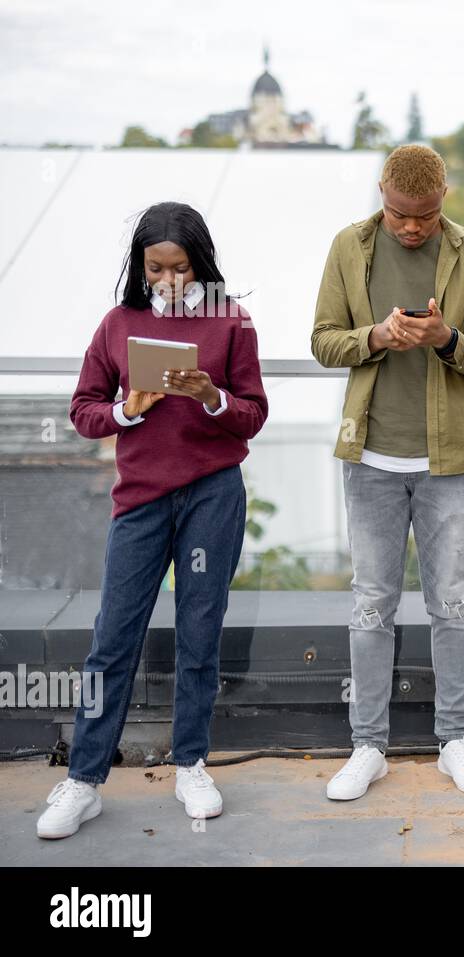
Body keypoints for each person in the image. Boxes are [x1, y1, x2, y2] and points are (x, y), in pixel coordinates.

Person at [39, 202, 268, 839]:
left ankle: (191, 763)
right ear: (140, 267)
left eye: (181, 268)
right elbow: (84, 411)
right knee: (112, 640)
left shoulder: (232, 323)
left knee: (200, 633)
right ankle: (83, 779)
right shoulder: (118, 324)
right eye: (155, 268)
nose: (168, 281)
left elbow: (253, 414)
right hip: (140, 500)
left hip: (212, 497)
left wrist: (210, 396)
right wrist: (128, 410)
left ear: (202, 265)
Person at [311, 145, 464, 799]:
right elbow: (322, 339)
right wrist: (376, 337)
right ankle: (368, 746)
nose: (411, 228)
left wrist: (445, 338)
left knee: (452, 602)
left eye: (424, 216)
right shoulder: (349, 246)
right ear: (382, 196)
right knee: (371, 605)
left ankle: (454, 740)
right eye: (399, 215)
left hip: (448, 461)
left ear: (444, 198)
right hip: (370, 457)